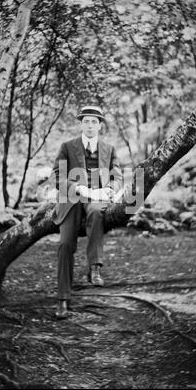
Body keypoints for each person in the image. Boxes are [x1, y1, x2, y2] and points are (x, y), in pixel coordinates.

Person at [51, 105, 122, 318]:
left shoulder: (109, 149)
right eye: (86, 121)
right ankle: (63, 299)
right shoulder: (67, 147)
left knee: (96, 213)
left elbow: (117, 177)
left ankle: (95, 268)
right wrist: (76, 188)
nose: (90, 125)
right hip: (71, 199)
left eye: (94, 121)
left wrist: (109, 190)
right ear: (81, 124)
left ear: (100, 125)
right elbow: (57, 176)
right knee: (65, 245)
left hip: (96, 198)